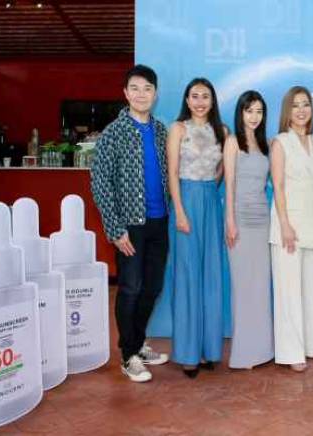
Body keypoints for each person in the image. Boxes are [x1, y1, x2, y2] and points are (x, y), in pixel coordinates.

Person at [90, 64, 169, 383]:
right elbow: (100, 182)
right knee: (131, 288)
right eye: (135, 88)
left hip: (160, 221)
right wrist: (114, 228)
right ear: (125, 93)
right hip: (129, 225)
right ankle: (128, 356)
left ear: (155, 94)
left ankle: (137, 343)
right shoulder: (113, 133)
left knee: (153, 287)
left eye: (147, 88)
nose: (141, 94)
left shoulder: (161, 131)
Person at [148, 78, 227, 379]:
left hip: (211, 204)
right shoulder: (178, 129)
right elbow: (171, 173)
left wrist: (209, 192)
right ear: (187, 99)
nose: (200, 101)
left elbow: (220, 171)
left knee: (211, 276)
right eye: (194, 96)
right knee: (188, 275)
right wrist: (179, 210)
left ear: (212, 100)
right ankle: (189, 354)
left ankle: (209, 350)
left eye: (205, 96)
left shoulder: (222, 131)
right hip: (185, 204)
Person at [269, 86, 313, 372]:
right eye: (295, 105)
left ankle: (310, 346)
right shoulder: (280, 142)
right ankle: (291, 352)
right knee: (289, 290)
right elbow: (278, 186)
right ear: (287, 111)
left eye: (305, 104)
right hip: (289, 224)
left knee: (311, 288)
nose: (301, 110)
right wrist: (284, 225)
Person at [224, 90, 274, 369]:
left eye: (259, 111)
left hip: (262, 220)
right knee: (243, 287)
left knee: (260, 286)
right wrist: (230, 221)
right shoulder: (233, 142)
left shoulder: (265, 144)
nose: (254, 117)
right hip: (239, 219)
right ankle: (244, 354)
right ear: (240, 113)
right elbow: (229, 184)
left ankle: (263, 350)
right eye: (249, 111)